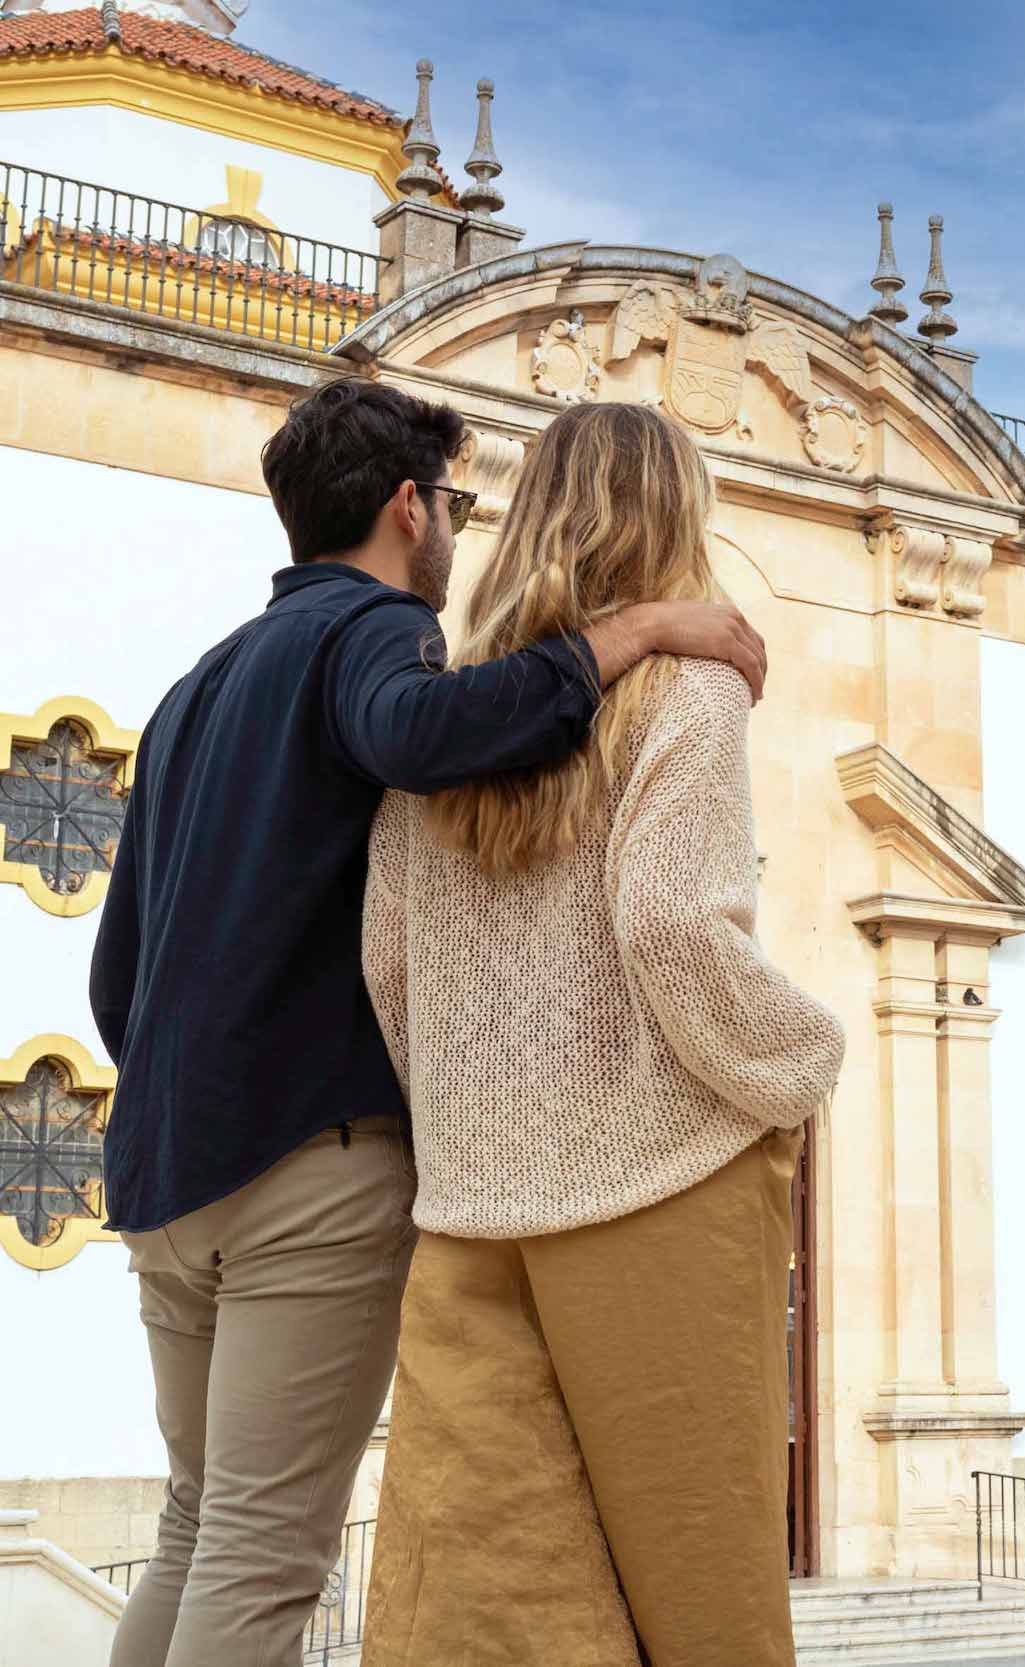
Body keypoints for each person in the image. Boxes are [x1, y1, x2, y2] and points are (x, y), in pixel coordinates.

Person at [87, 379, 764, 1667]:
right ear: (410, 506)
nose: (457, 530)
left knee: (195, 1526)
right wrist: (636, 628)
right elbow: (416, 732)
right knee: (261, 1552)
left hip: (166, 1177)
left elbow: (116, 975)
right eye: (452, 502)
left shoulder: (193, 689)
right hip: (306, 1167)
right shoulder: (374, 630)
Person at [355, 401, 842, 1667]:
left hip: (470, 1203)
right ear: (674, 514)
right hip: (660, 1186)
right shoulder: (690, 682)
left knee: (483, 1602)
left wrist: (466, 1114)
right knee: (701, 1588)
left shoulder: (441, 717)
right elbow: (671, 920)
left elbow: (388, 964)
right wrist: (800, 1060)